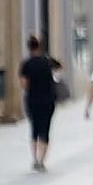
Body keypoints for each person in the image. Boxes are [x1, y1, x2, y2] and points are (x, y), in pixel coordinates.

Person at [19, 36, 56, 172]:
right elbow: (60, 66)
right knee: (45, 130)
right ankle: (42, 160)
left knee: (34, 129)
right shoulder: (47, 61)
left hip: (33, 99)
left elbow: (24, 84)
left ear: (29, 47)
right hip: (48, 99)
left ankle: (34, 159)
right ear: (39, 46)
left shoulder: (26, 64)